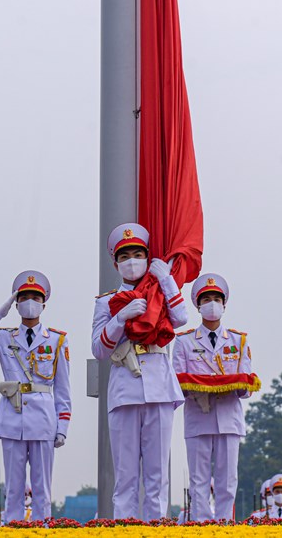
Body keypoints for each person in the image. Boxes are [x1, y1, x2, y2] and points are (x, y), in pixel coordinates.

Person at [91, 223, 187, 520]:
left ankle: (155, 527)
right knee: (126, 476)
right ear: (115, 263)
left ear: (147, 257)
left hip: (158, 387)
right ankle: (125, 528)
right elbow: (99, 349)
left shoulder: (160, 290)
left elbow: (181, 318)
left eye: (137, 254)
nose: (131, 261)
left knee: (158, 475)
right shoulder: (106, 302)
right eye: (124, 256)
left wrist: (167, 280)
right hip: (125, 389)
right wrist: (120, 318)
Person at [0, 270, 71, 522]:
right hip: (12, 416)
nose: (29, 301)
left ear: (44, 303)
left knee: (42, 488)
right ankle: (13, 528)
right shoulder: (3, 338)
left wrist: (63, 425)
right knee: (13, 488)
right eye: (23, 297)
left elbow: (63, 389)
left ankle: (41, 528)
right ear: (16, 302)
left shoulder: (56, 340)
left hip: (44, 419)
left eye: (35, 296)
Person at [172, 273, 251, 522]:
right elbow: (175, 383)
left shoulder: (238, 341)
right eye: (207, 299)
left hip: (229, 417)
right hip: (198, 415)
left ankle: (226, 525)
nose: (212, 303)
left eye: (216, 298)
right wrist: (197, 388)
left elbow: (247, 385)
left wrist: (232, 386)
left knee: (228, 481)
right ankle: (201, 526)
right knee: (199, 481)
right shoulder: (184, 342)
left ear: (224, 304)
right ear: (198, 306)